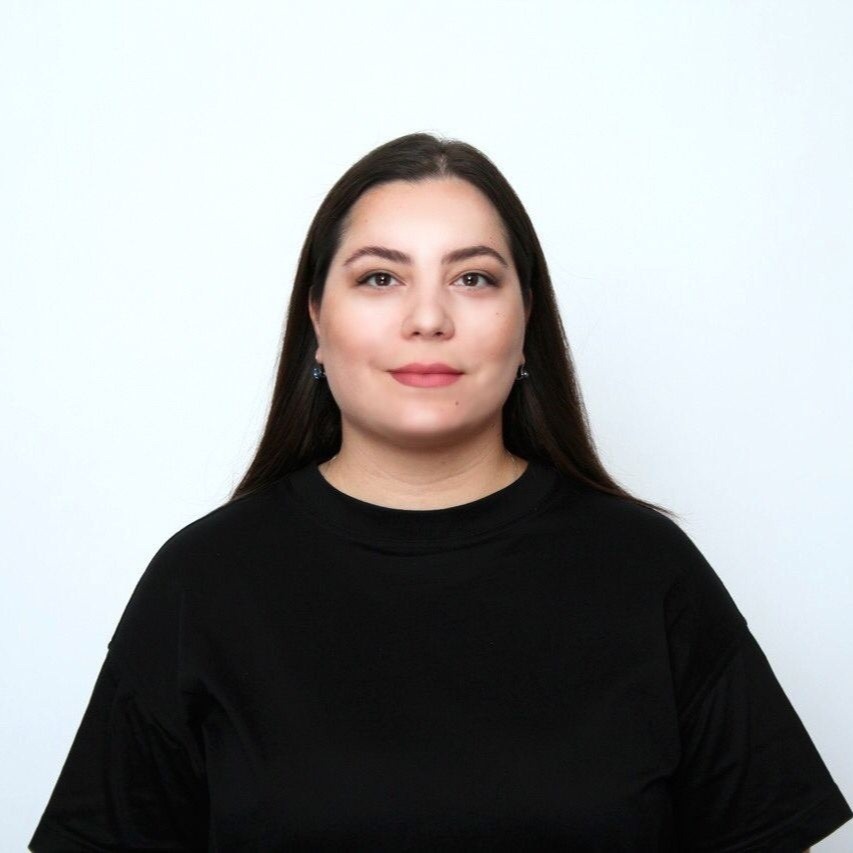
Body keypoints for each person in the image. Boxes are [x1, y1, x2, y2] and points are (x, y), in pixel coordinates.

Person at [30, 132, 851, 851]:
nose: (428, 317)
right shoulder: (202, 582)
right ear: (316, 319)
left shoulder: (648, 571)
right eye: (380, 278)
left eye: (474, 278)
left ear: (525, 322)